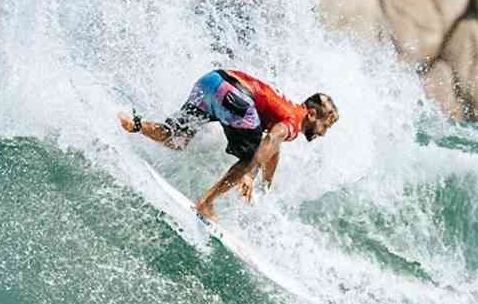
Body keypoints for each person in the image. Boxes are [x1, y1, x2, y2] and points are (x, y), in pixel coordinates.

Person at [118, 69, 339, 221]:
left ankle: (135, 124)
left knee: (176, 138)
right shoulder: (292, 122)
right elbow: (271, 139)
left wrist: (266, 185)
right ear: (312, 114)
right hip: (234, 96)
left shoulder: (287, 111)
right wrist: (250, 173)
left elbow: (273, 147)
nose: (324, 133)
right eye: (325, 125)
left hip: (212, 81)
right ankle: (205, 203)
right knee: (248, 159)